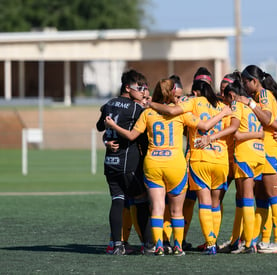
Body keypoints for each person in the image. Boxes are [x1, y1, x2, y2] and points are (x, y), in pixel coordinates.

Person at [105, 78, 231, 256]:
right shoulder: (180, 113)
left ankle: (158, 246)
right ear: (172, 94)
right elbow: (205, 126)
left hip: (153, 163)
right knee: (176, 210)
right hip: (175, 164)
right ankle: (178, 246)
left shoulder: (147, 113)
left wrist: (112, 126)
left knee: (157, 207)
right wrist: (223, 113)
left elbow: (131, 135)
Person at [149, 79, 231, 255]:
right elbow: (232, 128)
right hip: (221, 159)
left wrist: (151, 103)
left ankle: (208, 243)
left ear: (194, 93)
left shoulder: (192, 102)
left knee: (203, 203)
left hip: (200, 159)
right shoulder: (222, 105)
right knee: (216, 204)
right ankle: (214, 241)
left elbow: (172, 110)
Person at [196, 75, 265, 254]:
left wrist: (211, 137)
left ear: (232, 95)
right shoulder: (252, 106)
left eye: (226, 98)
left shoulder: (236, 104)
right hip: (259, 154)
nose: (226, 103)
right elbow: (264, 129)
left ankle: (249, 244)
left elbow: (234, 129)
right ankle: (243, 241)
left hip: (245, 154)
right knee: (245, 199)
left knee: (246, 199)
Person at [96, 69, 149, 255]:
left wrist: (105, 141)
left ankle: (117, 245)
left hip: (110, 163)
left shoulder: (109, 104)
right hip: (128, 162)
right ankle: (149, 244)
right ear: (127, 87)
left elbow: (100, 126)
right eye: (139, 87)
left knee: (117, 201)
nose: (142, 91)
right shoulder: (135, 108)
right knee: (142, 200)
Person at [238, 65, 277, 254]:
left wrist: (249, 104)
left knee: (273, 195)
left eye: (245, 81)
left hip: (271, 151)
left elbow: (267, 118)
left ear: (254, 81)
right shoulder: (260, 97)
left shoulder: (264, 95)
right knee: (262, 198)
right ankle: (263, 240)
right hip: (263, 151)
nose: (244, 85)